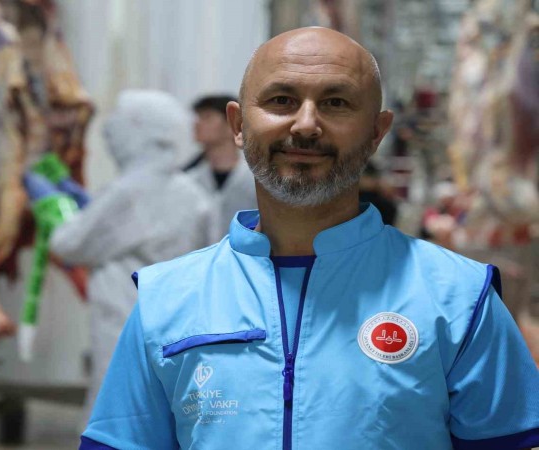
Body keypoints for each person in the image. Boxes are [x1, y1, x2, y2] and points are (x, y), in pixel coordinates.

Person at [79, 28, 539, 450]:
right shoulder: (166, 299)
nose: (305, 124)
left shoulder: (459, 297)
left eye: (336, 103)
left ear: (377, 132)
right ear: (238, 125)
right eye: (281, 100)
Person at [49, 89, 214, 424]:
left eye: (118, 124)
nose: (110, 133)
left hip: (123, 320)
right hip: (176, 324)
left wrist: (54, 209)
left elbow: (69, 244)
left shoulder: (130, 190)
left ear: (143, 131)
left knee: (116, 414)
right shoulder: (193, 194)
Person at [186, 95, 258, 239]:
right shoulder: (188, 178)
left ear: (232, 123)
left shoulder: (256, 178)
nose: (197, 124)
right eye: (198, 117)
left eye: (207, 117)